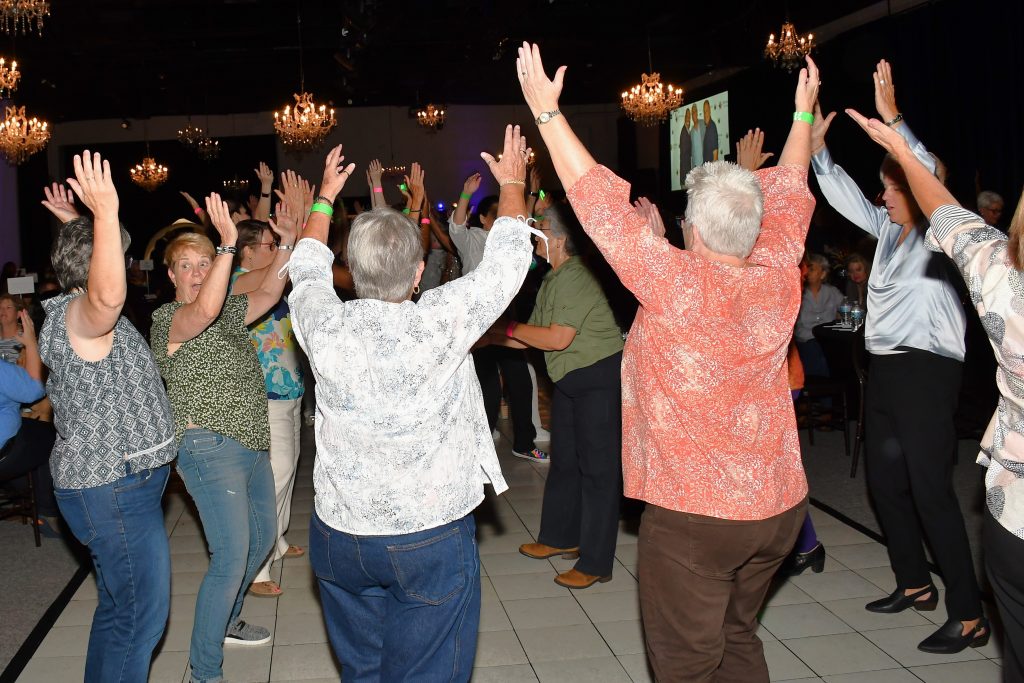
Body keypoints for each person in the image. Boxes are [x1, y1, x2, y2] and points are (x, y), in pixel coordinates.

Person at [516, 42, 815, 681]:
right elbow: (789, 193)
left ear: (694, 232)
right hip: (778, 513)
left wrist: (547, 115)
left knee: (686, 665)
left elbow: (597, 206)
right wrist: (803, 119)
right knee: (739, 638)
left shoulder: (678, 284)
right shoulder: (779, 274)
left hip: (699, 519)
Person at [289, 131, 535, 681]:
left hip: (341, 536)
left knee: (365, 671)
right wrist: (514, 182)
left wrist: (325, 197)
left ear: (349, 274)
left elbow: (305, 266)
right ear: (419, 272)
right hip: (428, 535)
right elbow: (506, 266)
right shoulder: (438, 321)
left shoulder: (324, 323)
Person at [811, 59, 984, 654]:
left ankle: (968, 612)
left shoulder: (943, 230)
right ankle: (914, 584)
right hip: (885, 371)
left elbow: (927, 170)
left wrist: (894, 122)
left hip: (928, 372)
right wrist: (815, 151)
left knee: (931, 489)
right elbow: (840, 194)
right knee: (886, 485)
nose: (881, 197)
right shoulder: (888, 233)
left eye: (890, 187)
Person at [38, 151, 177, 682]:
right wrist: (104, 209)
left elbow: (93, 269)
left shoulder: (66, 307)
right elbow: (107, 290)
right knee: (140, 620)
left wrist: (77, 222)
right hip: (113, 491)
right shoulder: (84, 316)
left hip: (110, 489)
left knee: (120, 611)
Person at [150, 191, 298, 683]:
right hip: (208, 449)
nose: (195, 273)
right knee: (232, 554)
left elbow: (273, 291)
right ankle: (205, 671)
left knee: (259, 545)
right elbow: (206, 309)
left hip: (252, 445)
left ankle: (228, 621)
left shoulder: (229, 309)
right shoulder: (167, 320)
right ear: (171, 276)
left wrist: (292, 237)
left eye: (203, 263)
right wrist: (229, 245)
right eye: (186, 266)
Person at [486, 202, 624, 589]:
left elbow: (557, 338)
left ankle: (596, 561)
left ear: (560, 239)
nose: (535, 234)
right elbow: (532, 336)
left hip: (597, 379)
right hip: (571, 380)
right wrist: (494, 336)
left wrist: (506, 329)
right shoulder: (554, 276)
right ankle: (560, 537)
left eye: (541, 227)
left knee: (598, 472)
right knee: (565, 463)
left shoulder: (577, 277)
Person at [229, 189, 308, 599]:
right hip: (264, 396)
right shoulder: (240, 281)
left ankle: (275, 542)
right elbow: (276, 274)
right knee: (272, 479)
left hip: (289, 391)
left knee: (288, 470)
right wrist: (296, 237)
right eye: (268, 244)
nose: (275, 249)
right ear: (245, 252)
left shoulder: (271, 275)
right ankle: (255, 568)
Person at [450, 173, 548, 460]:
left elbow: (522, 222)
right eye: (495, 215)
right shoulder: (472, 239)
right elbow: (456, 226)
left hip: (506, 319)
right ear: (482, 218)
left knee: (520, 380)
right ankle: (478, 447)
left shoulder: (507, 242)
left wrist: (529, 194)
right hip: (478, 323)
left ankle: (524, 443)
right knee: (487, 387)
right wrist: (466, 194)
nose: (500, 220)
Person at [794, 253, 843, 377]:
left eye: (812, 269)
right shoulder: (798, 294)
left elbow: (845, 310)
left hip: (828, 341)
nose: (807, 272)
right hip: (806, 340)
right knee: (816, 352)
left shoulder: (833, 293)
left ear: (823, 274)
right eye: (806, 269)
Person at [679, 107, 693, 184]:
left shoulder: (687, 131)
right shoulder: (684, 132)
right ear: (684, 118)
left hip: (686, 170)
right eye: (687, 116)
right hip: (685, 171)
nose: (688, 119)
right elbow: (685, 153)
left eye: (689, 117)